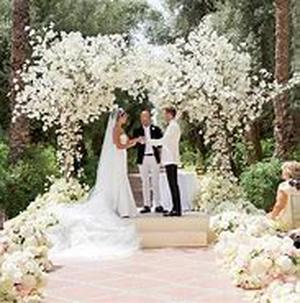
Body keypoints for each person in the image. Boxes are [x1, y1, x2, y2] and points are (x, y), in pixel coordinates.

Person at [47, 108, 140, 259]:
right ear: (118, 118)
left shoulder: (120, 128)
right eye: (124, 117)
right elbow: (118, 145)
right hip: (117, 157)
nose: (126, 119)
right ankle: (118, 206)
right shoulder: (116, 129)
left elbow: (125, 143)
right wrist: (134, 142)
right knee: (118, 180)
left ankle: (121, 206)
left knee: (121, 180)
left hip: (120, 158)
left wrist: (133, 141)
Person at [149, 107, 182, 217]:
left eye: (165, 114)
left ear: (170, 114)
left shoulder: (173, 126)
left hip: (171, 159)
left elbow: (163, 141)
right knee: (173, 185)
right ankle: (175, 208)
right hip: (170, 159)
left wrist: (149, 141)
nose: (164, 116)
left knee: (173, 185)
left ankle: (177, 209)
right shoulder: (172, 126)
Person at [134, 110, 164, 214]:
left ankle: (158, 204)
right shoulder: (137, 130)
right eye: (142, 117)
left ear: (150, 118)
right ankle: (146, 205)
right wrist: (139, 141)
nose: (144, 119)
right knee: (145, 182)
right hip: (143, 158)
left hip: (154, 158)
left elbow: (161, 143)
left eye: (146, 117)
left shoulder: (156, 129)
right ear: (140, 119)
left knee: (155, 182)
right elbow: (134, 145)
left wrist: (160, 157)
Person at [269, 161, 300, 228]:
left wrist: (272, 217)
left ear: (287, 172)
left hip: (289, 225)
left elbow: (279, 206)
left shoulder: (284, 186)